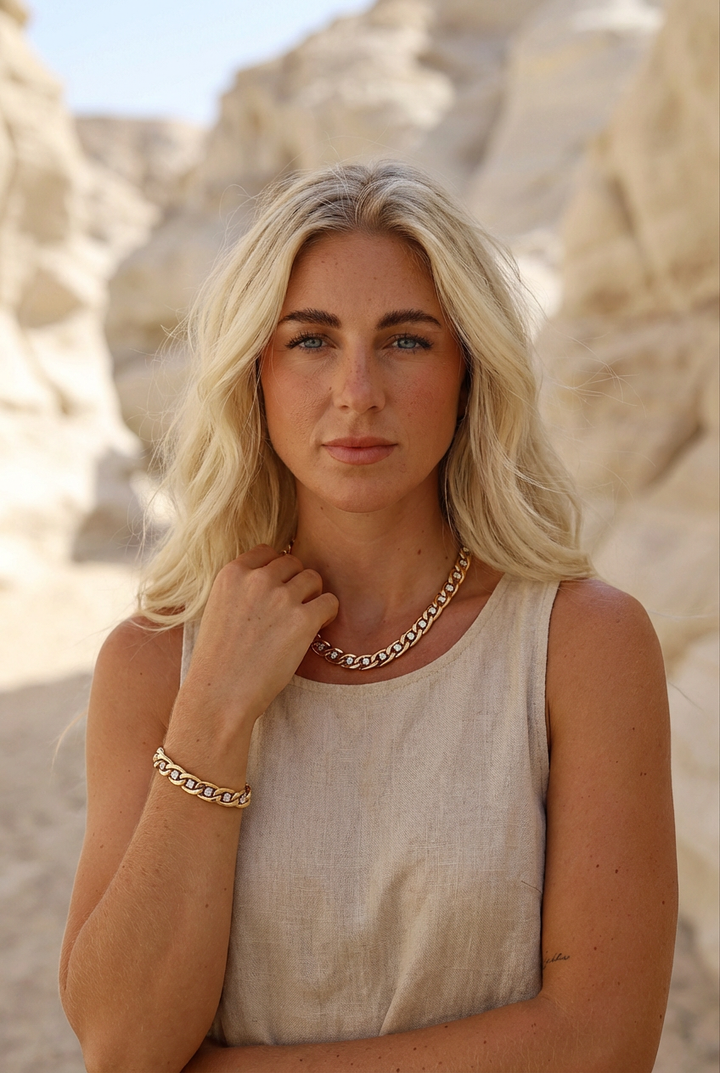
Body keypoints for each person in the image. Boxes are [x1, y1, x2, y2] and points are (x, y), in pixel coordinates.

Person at [59, 161, 677, 1073]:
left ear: (469, 371)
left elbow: (600, 1042)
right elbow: (120, 1043)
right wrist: (216, 711)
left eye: (407, 340)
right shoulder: (155, 665)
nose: (356, 391)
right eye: (310, 340)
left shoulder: (581, 646)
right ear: (254, 374)